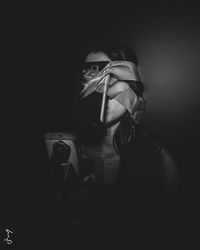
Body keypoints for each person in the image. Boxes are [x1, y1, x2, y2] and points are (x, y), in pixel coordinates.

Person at [50, 41, 180, 246]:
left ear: (134, 87)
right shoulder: (59, 152)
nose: (103, 90)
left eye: (115, 78)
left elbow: (172, 233)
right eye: (91, 76)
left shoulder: (159, 161)